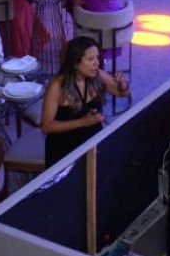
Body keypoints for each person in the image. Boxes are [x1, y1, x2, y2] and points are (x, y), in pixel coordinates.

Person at [41, 36, 129, 168]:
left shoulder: (97, 74)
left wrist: (123, 85)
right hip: (65, 150)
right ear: (75, 63)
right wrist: (82, 122)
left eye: (97, 58)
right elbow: (46, 126)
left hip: (93, 144)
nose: (97, 63)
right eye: (90, 59)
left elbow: (122, 93)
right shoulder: (57, 85)